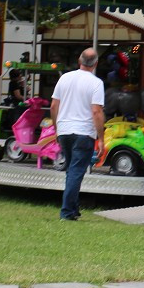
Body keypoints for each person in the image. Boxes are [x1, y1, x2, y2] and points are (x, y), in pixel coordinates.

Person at [50, 48, 105, 221]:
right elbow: (96, 111)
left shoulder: (64, 78)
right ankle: (67, 212)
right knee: (76, 171)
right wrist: (101, 137)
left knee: (71, 170)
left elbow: (53, 106)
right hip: (83, 132)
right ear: (95, 64)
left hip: (65, 130)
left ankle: (73, 209)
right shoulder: (96, 83)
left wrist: (56, 127)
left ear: (79, 60)